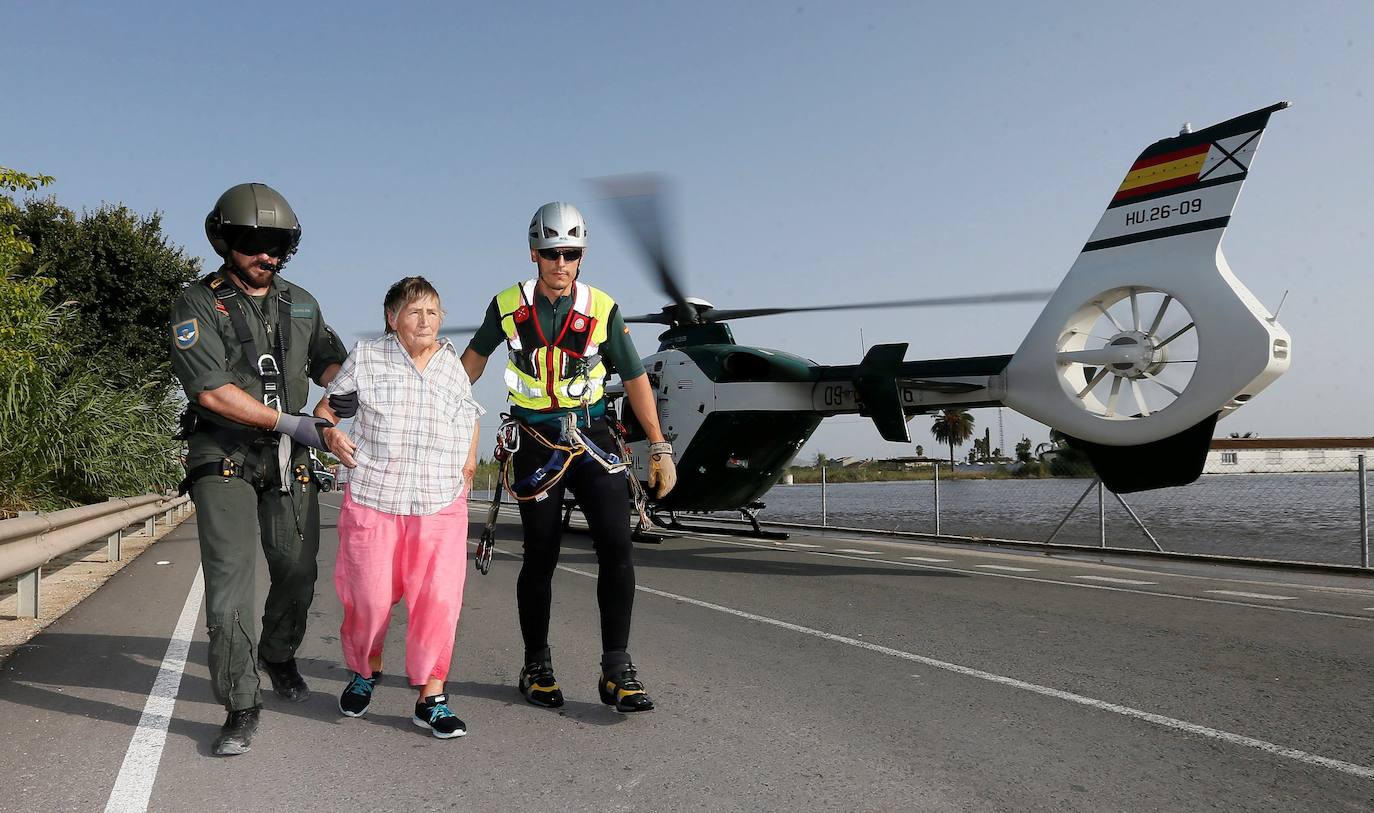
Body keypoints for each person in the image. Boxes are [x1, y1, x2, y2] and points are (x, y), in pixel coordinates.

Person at [459, 201, 677, 713]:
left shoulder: (602, 307)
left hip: (595, 441)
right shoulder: (507, 305)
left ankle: (616, 668)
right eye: (552, 252)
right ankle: (536, 665)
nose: (561, 262)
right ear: (534, 253)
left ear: (582, 256)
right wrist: (429, 398)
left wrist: (660, 446)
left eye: (571, 253)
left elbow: (636, 378)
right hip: (534, 440)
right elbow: (469, 366)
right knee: (541, 554)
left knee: (617, 547)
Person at [169, 183, 346, 756]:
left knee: (298, 569)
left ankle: (277, 653)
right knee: (231, 584)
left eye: (276, 244)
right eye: (250, 242)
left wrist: (336, 399)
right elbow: (212, 392)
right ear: (224, 239)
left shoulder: (303, 302)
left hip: (289, 460)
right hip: (224, 455)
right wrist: (290, 423)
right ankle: (241, 701)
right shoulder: (197, 304)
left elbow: (333, 363)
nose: (264, 255)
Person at [316, 276, 483, 739]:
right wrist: (330, 433)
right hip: (375, 498)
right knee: (367, 601)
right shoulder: (367, 358)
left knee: (439, 603)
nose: (426, 320)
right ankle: (365, 673)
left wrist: (469, 462)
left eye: (433, 311)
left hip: (439, 502)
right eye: (415, 312)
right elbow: (327, 408)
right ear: (392, 319)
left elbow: (470, 415)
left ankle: (432, 699)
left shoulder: (452, 363)